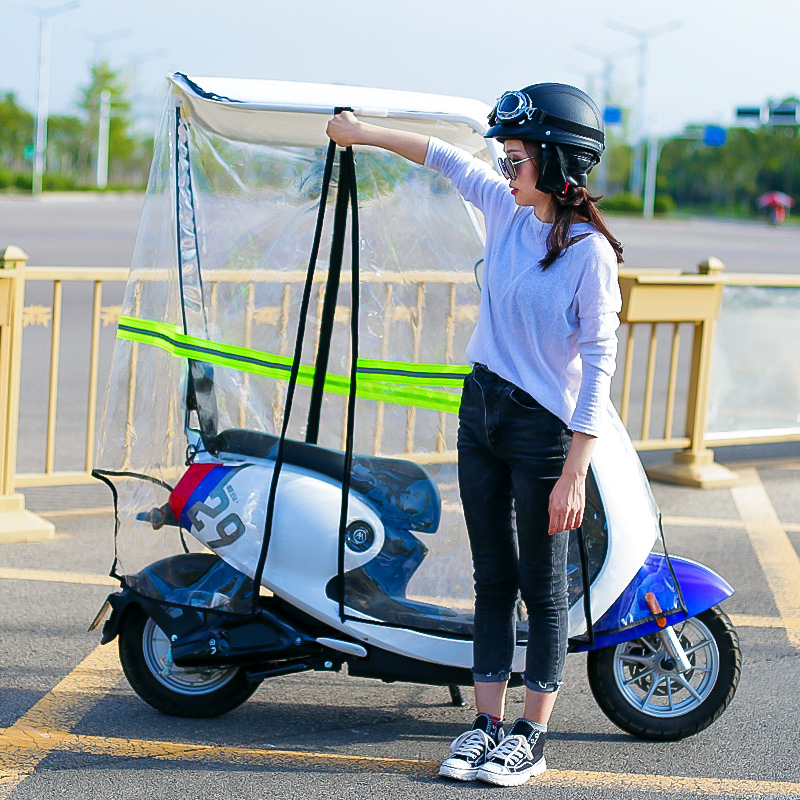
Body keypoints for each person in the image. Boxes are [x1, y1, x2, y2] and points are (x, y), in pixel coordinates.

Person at [327, 83, 623, 787]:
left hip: (543, 432)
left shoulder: (589, 254)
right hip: (481, 411)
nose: (506, 168)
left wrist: (576, 468)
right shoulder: (502, 210)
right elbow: (441, 156)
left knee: (542, 590)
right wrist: (361, 132)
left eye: (518, 157)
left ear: (557, 163)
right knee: (492, 580)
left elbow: (601, 359)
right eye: (505, 157)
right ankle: (486, 724)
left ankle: (532, 735)